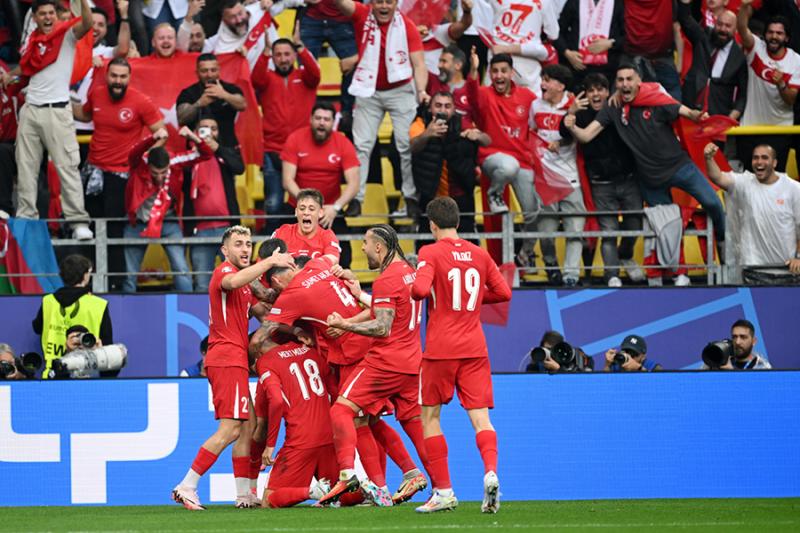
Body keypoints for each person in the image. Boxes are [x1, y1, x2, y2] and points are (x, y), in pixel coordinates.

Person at [251, 245, 428, 506]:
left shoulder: (291, 295)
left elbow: (259, 337)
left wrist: (261, 356)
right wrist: (346, 275)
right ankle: (407, 475)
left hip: (352, 353)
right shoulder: (320, 264)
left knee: (356, 419)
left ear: (277, 280)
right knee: (371, 420)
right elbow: (335, 265)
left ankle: (376, 484)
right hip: (367, 346)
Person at [172, 225, 295, 511]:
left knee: (248, 427)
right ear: (224, 250)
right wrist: (270, 261)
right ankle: (187, 485)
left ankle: (244, 496)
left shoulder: (245, 286)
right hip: (226, 359)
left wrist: (296, 319)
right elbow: (233, 281)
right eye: (238, 244)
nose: (245, 249)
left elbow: (266, 309)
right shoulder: (224, 273)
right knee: (229, 429)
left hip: (235, 359)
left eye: (248, 244)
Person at [410, 197, 512, 513]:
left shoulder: (429, 252)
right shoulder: (479, 254)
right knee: (481, 418)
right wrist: (472, 299)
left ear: (432, 225)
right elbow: (504, 292)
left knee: (430, 418)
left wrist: (422, 279)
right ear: (458, 221)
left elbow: (420, 291)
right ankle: (491, 472)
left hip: (441, 350)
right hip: (475, 348)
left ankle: (444, 491)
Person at [318, 224, 431, 507]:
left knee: (341, 411)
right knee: (407, 423)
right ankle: (436, 484)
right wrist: (353, 312)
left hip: (385, 362)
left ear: (379, 247)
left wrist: (344, 325)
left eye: (365, 243)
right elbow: (386, 310)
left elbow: (382, 326)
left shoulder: (387, 279)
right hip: (411, 361)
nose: (363, 248)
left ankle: (347, 474)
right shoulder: (409, 272)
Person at [564, 63, 726, 258]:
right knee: (668, 229)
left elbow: (686, 112)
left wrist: (696, 115)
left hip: (680, 168)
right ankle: (676, 271)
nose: (625, 84)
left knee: (713, 203)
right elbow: (585, 136)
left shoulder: (656, 98)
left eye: (629, 79)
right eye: (621, 80)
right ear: (616, 84)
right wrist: (572, 126)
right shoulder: (612, 108)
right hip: (651, 180)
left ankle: (723, 239)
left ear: (639, 81)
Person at [71, 57, 163, 291]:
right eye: (114, 76)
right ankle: (87, 282)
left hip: (121, 176)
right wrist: (59, 100)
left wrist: (141, 156)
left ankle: (114, 283)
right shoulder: (97, 94)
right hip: (92, 173)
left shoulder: (141, 101)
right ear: (107, 76)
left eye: (123, 76)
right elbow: (84, 115)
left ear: (129, 78)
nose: (118, 81)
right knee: (89, 228)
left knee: (113, 230)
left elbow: (161, 133)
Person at [334, 0, 428, 219]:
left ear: (396, 4)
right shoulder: (362, 15)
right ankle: (356, 198)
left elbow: (419, 64)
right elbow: (341, 4)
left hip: (401, 90)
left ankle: (411, 198)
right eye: (379, 1)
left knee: (406, 146)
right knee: (362, 147)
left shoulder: (408, 26)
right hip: (368, 89)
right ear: (371, 3)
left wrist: (421, 90)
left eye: (389, 2)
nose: (384, 6)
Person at [11, 0, 94, 239]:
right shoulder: (32, 41)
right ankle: (26, 217)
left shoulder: (66, 34)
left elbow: (87, 23)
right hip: (30, 109)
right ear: (34, 18)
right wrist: (10, 77)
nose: (48, 17)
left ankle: (78, 222)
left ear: (56, 16)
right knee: (26, 168)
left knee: (67, 167)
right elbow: (27, 69)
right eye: (42, 14)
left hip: (57, 110)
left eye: (51, 13)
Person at [561, 73, 643, 287]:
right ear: (586, 94)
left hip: (629, 180)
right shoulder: (581, 114)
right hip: (601, 184)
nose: (596, 94)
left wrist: (620, 95)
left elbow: (643, 92)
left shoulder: (620, 107)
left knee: (635, 223)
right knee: (608, 231)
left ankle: (626, 254)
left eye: (600, 89)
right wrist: (570, 112)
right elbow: (563, 131)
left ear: (608, 92)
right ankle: (611, 274)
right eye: (591, 90)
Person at [123, 127, 213, 293]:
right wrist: (152, 138)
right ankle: (124, 308)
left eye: (163, 172)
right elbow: (133, 152)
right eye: (155, 173)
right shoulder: (140, 162)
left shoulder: (175, 161)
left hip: (168, 221)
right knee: (129, 274)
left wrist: (192, 136)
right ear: (148, 166)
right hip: (138, 223)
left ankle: (188, 304)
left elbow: (206, 154)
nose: (159, 177)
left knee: (181, 269)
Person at [254, 336, 339, 508]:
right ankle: (365, 489)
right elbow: (335, 391)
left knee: (269, 501)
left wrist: (270, 445)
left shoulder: (266, 361)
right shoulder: (311, 351)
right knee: (338, 492)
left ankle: (314, 492)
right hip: (330, 435)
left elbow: (277, 401)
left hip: (300, 440)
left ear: (257, 353)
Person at [252, 37, 320, 223]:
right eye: (278, 55)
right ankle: (274, 240)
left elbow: (316, 74)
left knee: (305, 204)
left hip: (302, 150)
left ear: (294, 55)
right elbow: (255, 79)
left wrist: (302, 48)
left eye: (287, 54)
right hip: (272, 149)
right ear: (273, 57)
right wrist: (265, 53)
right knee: (273, 204)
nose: (283, 59)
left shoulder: (304, 77)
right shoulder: (267, 78)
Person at [704, 143, 800, 274]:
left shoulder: (793, 188)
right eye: (756, 158)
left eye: (765, 157)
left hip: (786, 269)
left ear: (774, 163)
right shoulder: (745, 182)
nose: (759, 162)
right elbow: (718, 177)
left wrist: (798, 257)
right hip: (752, 268)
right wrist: (709, 159)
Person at [529, 63, 586, 286]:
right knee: (546, 232)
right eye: (542, 79)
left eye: (547, 80)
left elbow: (577, 134)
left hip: (571, 178)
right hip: (545, 178)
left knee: (575, 229)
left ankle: (571, 275)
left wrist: (561, 141)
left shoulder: (575, 104)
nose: (542, 84)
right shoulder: (535, 105)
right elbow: (531, 132)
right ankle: (551, 266)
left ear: (561, 86)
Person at [470, 51, 538, 232]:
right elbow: (471, 94)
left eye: (503, 71)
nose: (499, 75)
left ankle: (527, 247)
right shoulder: (484, 94)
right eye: (495, 71)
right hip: (492, 157)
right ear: (490, 74)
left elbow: (542, 114)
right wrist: (474, 70)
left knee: (533, 213)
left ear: (511, 72)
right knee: (509, 165)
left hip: (522, 160)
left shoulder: (527, 96)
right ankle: (494, 195)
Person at [410, 91, 490, 232]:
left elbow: (487, 141)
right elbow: (413, 146)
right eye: (438, 105)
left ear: (454, 109)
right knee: (427, 240)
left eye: (447, 106)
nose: (442, 110)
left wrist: (476, 136)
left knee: (465, 238)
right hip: (430, 195)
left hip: (460, 195)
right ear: (430, 108)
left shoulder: (462, 122)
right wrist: (427, 134)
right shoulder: (421, 122)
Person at [736, 1, 800, 171]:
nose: (774, 36)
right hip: (750, 128)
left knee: (775, 179)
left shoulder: (796, 61)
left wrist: (781, 84)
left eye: (779, 33)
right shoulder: (756, 48)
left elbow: (791, 100)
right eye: (770, 32)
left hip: (780, 130)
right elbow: (742, 28)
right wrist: (744, 7)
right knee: (749, 179)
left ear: (787, 38)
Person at [280, 102, 359, 234]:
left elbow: (354, 184)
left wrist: (336, 207)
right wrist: (307, 204)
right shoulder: (295, 139)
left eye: (326, 119)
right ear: (310, 119)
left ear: (333, 122)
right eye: (318, 118)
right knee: (284, 244)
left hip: (330, 210)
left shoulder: (343, 143)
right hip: (298, 207)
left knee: (342, 246)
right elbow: (287, 180)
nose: (321, 123)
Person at [184, 117, 244, 292]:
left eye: (213, 128)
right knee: (202, 285)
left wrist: (217, 148)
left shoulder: (223, 153)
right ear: (195, 133)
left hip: (228, 230)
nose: (209, 132)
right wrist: (196, 148)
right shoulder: (188, 157)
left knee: (237, 284)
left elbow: (239, 167)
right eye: (204, 128)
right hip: (200, 230)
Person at [32, 254, 112, 379]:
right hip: (87, 377)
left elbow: (37, 328)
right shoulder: (98, 305)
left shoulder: (48, 301)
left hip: (52, 376)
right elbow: (107, 345)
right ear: (85, 275)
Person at [677, 0, 747, 120]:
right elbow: (685, 19)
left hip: (718, 117)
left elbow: (742, 95)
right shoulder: (703, 37)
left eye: (728, 26)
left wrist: (730, 119)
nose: (723, 29)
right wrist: (685, 3)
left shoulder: (739, 57)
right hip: (690, 109)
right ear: (715, 24)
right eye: (720, 24)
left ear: (735, 29)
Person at [299, 0, 360, 129]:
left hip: (343, 19)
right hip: (311, 17)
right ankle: (305, 114)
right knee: (305, 70)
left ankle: (347, 114)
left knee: (353, 65)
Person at [485, 0, 560, 93]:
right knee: (530, 99)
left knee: (492, 97)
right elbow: (553, 34)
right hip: (527, 66)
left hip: (498, 59)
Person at [176, 53, 246, 148]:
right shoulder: (188, 93)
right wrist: (199, 103)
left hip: (227, 147)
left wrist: (224, 94)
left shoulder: (230, 89)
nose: (209, 75)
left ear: (219, 70)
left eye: (213, 70)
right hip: (198, 148)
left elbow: (243, 105)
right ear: (197, 72)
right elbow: (181, 118)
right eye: (204, 71)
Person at [554, 0, 626, 89]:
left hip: (607, 70)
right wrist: (567, 53)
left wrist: (611, 43)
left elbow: (627, 37)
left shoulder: (617, 3)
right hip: (577, 68)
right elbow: (556, 32)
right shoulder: (574, 2)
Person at [623, 0, 682, 100]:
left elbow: (676, 28)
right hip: (634, 61)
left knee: (673, 106)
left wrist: (680, 64)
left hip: (663, 60)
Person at [271, 189, 341, 265]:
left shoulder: (327, 235)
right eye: (302, 209)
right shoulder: (283, 232)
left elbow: (333, 258)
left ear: (320, 213)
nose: (306, 213)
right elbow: (266, 259)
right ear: (296, 212)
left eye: (311, 209)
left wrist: (300, 267)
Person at [428, 45, 479, 128]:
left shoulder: (470, 89)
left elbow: (473, 85)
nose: (439, 65)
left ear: (458, 65)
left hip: (462, 134)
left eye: (444, 61)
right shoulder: (433, 81)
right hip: (434, 133)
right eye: (440, 61)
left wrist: (473, 69)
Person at [702, 319, 772, 369]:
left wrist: (732, 373)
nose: (737, 342)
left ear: (754, 341)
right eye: (734, 337)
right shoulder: (720, 359)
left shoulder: (762, 366)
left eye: (743, 337)